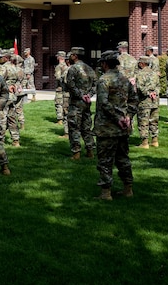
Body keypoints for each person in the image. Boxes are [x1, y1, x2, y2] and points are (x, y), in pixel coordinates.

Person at [93, 50, 138, 200]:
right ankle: (128, 189)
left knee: (105, 160)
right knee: (123, 158)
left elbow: (104, 104)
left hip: (107, 128)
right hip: (123, 128)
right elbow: (134, 100)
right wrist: (128, 117)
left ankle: (106, 193)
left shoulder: (104, 80)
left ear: (105, 64)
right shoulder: (125, 79)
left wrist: (118, 117)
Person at [65, 46, 98, 160]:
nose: (70, 56)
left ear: (75, 56)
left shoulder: (73, 69)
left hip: (76, 102)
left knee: (74, 127)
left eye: (72, 54)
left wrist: (80, 95)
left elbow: (70, 84)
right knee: (86, 127)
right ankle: (90, 151)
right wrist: (89, 95)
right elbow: (95, 85)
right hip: (86, 103)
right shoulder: (90, 69)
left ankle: (76, 153)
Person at [135, 55, 161, 148]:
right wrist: (154, 93)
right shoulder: (154, 73)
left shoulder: (140, 74)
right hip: (155, 101)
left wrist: (147, 93)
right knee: (154, 121)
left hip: (144, 102)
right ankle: (155, 140)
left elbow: (139, 87)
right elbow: (158, 86)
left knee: (143, 121)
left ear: (142, 64)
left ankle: (144, 142)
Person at [53, 51, 69, 133]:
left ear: (60, 57)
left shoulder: (59, 66)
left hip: (60, 88)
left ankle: (60, 119)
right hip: (65, 89)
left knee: (58, 103)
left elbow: (58, 77)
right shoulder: (67, 66)